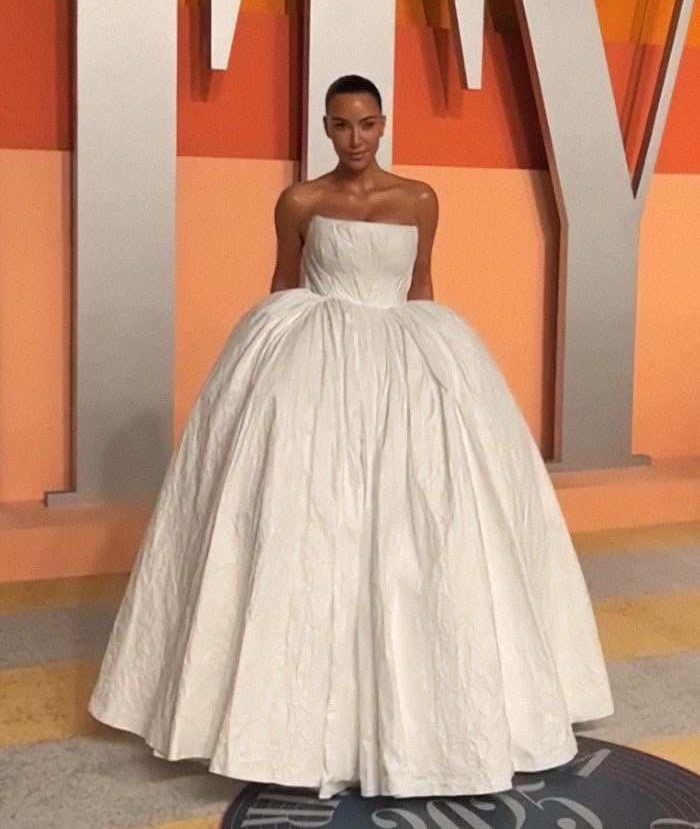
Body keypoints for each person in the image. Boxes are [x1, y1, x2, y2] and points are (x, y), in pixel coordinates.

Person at [89, 74, 613, 800]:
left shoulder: (421, 199)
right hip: (316, 354)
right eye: (341, 126)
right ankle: (288, 721)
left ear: (384, 123)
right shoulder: (300, 200)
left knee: (426, 521)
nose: (356, 139)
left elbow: (421, 283)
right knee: (308, 523)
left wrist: (439, 374)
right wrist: (265, 375)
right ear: (325, 128)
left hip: (406, 357)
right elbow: (285, 280)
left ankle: (436, 716)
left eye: (367, 124)